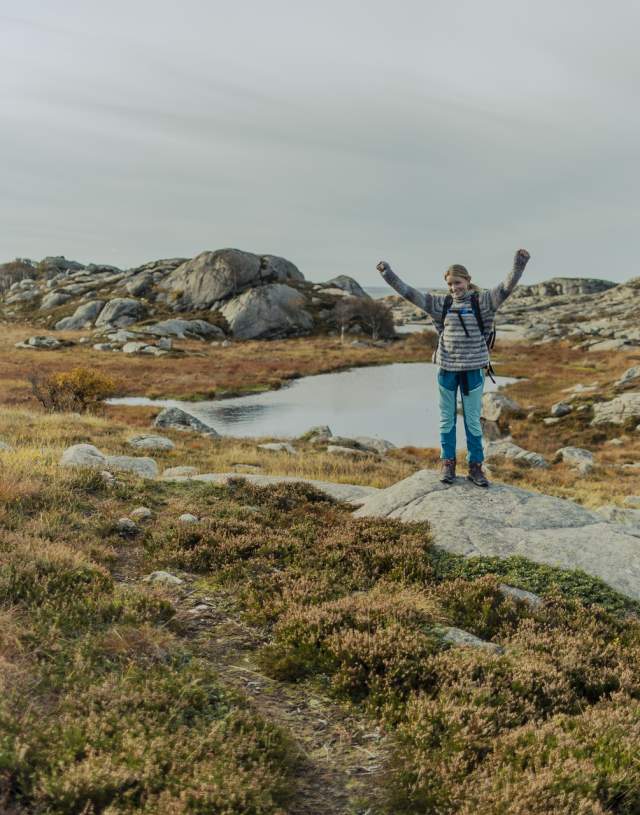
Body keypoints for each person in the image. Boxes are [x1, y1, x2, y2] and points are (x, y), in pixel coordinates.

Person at [376, 249, 531, 487]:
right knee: (446, 420)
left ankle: (475, 468)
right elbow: (409, 293)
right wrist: (387, 274)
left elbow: (506, 287)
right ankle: (447, 464)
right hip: (446, 369)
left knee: (472, 421)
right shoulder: (441, 304)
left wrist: (519, 263)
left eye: (457, 282)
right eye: (449, 284)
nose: (453, 288)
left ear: (467, 280)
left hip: (473, 371)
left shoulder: (483, 302)